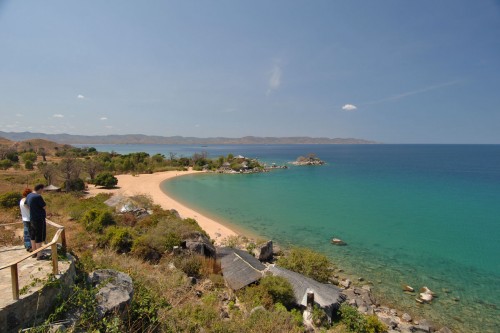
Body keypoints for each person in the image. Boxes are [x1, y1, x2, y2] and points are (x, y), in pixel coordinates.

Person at [26, 184, 48, 260]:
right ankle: (39, 254)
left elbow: (26, 204)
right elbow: (44, 206)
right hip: (39, 219)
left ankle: (34, 252)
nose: (43, 191)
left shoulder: (29, 195)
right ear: (40, 189)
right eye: (43, 190)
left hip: (32, 218)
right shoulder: (38, 197)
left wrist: (33, 210)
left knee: (33, 235)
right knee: (39, 236)